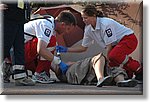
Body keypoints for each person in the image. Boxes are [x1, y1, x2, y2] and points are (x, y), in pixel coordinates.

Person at [56, 4, 142, 87]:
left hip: (128, 39)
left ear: (93, 15)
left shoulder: (105, 24)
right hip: (116, 45)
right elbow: (83, 48)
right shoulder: (88, 29)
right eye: (82, 18)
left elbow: (109, 46)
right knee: (113, 64)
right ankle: (127, 77)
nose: (83, 20)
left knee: (113, 56)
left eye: (86, 18)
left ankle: (138, 69)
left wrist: (108, 60)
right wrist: (66, 49)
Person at [24, 11, 77, 84]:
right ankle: (39, 74)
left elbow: (47, 56)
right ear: (63, 24)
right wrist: (59, 62)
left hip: (20, 52)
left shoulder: (50, 26)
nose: (67, 32)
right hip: (19, 52)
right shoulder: (46, 25)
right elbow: (41, 50)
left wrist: (57, 69)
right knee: (51, 41)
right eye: (68, 29)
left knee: (50, 45)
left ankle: (10, 66)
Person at [1, 1, 35, 86]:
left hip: (19, 17)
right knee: (4, 47)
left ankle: (20, 77)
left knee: (19, 48)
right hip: (7, 16)